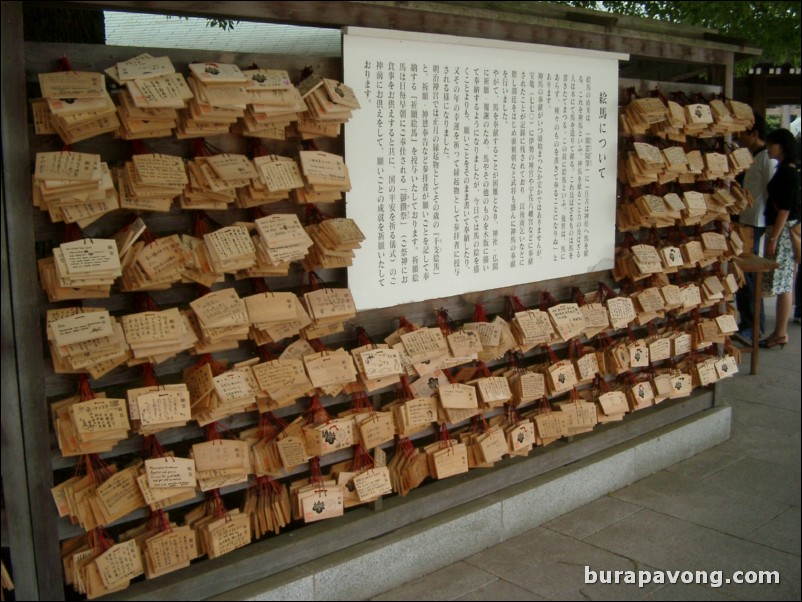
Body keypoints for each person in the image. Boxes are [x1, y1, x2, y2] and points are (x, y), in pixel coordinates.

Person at [734, 113, 776, 344]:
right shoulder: (752, 156)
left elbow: (771, 193)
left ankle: (755, 326)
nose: (741, 137)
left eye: (744, 132)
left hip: (757, 223)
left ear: (755, 133)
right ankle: (746, 322)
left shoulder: (765, 159)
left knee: (751, 276)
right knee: (742, 276)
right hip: (745, 220)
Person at [760, 128, 801, 349]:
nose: (768, 148)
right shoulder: (788, 170)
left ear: (781, 146)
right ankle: (779, 332)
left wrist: (773, 238)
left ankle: (781, 332)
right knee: (785, 282)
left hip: (783, 232)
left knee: (785, 283)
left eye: (771, 144)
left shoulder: (787, 173)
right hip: (783, 230)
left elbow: (784, 209)